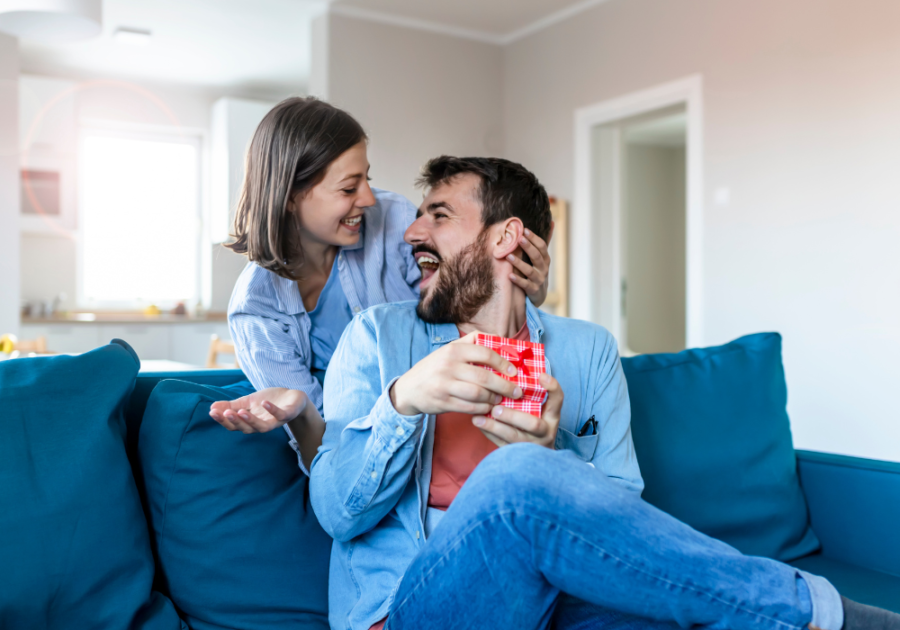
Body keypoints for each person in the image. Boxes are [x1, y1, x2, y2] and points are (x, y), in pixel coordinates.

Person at [221, 156, 900, 630]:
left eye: (438, 216)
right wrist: (403, 402)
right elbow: (338, 513)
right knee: (517, 473)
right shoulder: (379, 339)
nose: (411, 232)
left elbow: (623, 511)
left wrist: (558, 451)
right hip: (412, 608)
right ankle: (820, 611)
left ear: (507, 237)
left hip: (559, 603)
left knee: (700, 617)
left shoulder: (585, 349)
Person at [210, 98, 552, 470]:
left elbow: (466, 297)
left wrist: (525, 291)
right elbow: (328, 452)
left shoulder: (393, 218)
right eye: (348, 188)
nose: (368, 198)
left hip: (453, 424)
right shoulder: (255, 310)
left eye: (367, 179)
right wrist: (300, 412)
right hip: (373, 460)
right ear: (291, 196)